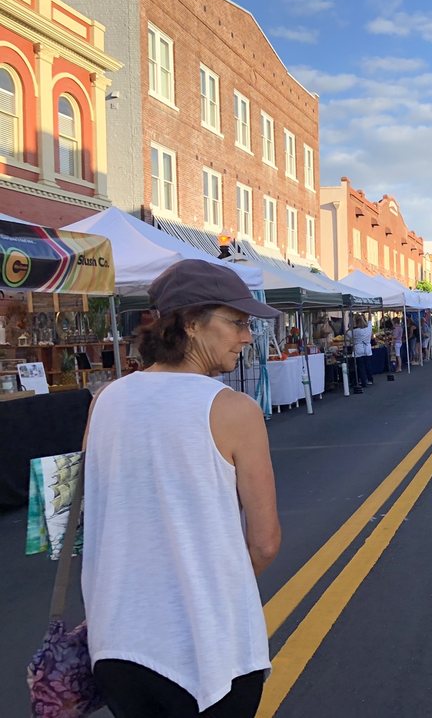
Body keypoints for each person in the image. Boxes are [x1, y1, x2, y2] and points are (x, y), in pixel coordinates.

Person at [82, 259, 281, 717]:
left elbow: (99, 510)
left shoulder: (105, 399)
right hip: (206, 647)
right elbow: (265, 542)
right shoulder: (234, 410)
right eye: (236, 322)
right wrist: (206, 587)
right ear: (191, 323)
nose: (247, 337)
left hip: (117, 643)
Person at [349, 312, 373, 387]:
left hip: (358, 349)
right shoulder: (368, 329)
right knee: (368, 365)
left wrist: (352, 321)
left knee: (361, 366)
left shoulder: (355, 331)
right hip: (367, 348)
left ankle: (363, 381)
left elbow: (347, 333)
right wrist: (369, 310)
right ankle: (370, 379)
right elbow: (370, 320)